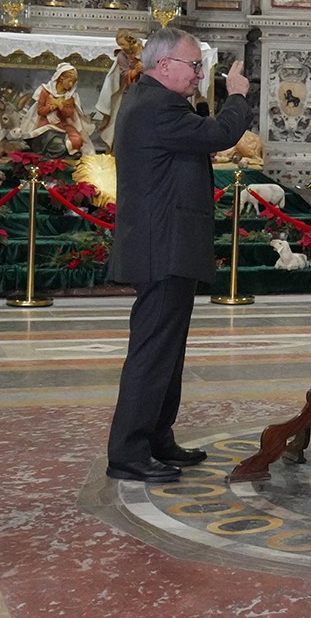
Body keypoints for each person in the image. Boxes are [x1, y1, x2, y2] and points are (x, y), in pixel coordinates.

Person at [105, 29, 252, 484]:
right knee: (153, 352)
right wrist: (237, 96)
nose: (199, 74)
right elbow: (220, 134)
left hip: (166, 242)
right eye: (194, 65)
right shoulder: (158, 106)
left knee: (167, 350)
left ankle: (156, 437)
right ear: (163, 64)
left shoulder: (149, 99)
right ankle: (128, 451)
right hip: (162, 245)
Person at [26, 62, 95, 155]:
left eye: (73, 82)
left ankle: (69, 152)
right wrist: (52, 107)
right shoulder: (46, 91)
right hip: (47, 125)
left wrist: (60, 106)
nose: (71, 85)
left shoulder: (69, 96)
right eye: (70, 81)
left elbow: (69, 113)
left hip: (64, 125)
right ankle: (58, 154)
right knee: (57, 143)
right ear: (61, 78)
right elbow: (40, 111)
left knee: (77, 140)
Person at [94, 31, 144, 152]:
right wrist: (135, 72)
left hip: (144, 91)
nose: (121, 47)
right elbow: (125, 74)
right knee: (123, 119)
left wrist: (144, 68)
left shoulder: (145, 49)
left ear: (130, 41)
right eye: (119, 45)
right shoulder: (122, 56)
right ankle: (118, 149)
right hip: (129, 91)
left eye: (123, 44)